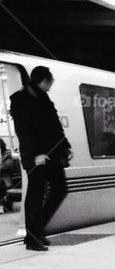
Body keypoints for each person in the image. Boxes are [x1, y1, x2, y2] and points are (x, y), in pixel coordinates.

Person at [9, 66, 71, 251]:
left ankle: (37, 231)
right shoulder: (21, 99)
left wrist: (65, 146)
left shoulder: (42, 98)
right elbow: (24, 130)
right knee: (35, 195)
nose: (51, 85)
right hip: (36, 156)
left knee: (60, 189)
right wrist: (35, 154)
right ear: (44, 80)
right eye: (50, 82)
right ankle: (33, 237)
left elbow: (54, 127)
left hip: (50, 155)